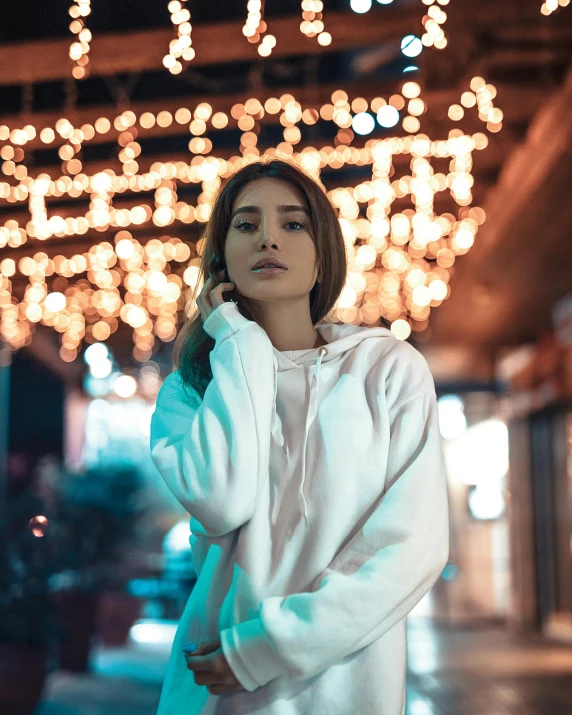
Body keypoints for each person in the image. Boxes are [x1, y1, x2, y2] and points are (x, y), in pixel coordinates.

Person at [150, 157, 450, 714]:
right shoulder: (190, 391)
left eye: (292, 224)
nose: (268, 238)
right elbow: (222, 501)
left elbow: (412, 547)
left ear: (322, 256)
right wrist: (236, 343)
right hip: (216, 688)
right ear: (221, 259)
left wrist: (266, 648)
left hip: (341, 687)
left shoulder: (386, 369)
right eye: (246, 224)